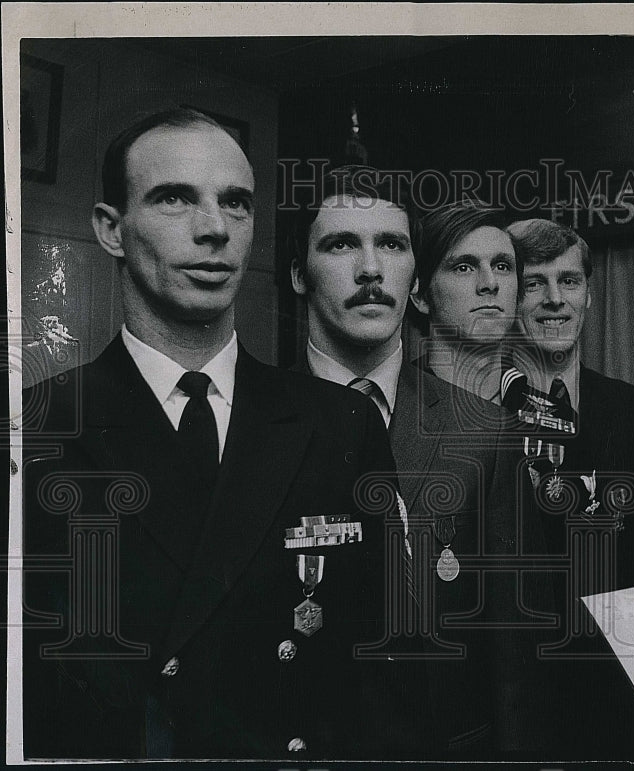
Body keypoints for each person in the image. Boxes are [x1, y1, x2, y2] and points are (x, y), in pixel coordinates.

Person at [20, 109, 397, 759]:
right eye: (174, 199)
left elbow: (385, 669)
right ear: (111, 230)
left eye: (236, 203)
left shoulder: (341, 422)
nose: (215, 228)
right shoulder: (37, 431)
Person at [289, 167, 549, 757]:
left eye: (392, 244)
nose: (371, 269)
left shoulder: (484, 434)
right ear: (300, 275)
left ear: (413, 277)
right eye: (341, 244)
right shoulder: (248, 421)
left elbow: (512, 655)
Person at [504, 218, 634, 758]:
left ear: (590, 294)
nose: (555, 301)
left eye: (570, 281)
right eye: (535, 283)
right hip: (508, 697)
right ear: (509, 295)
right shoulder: (475, 410)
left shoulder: (633, 410)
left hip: (608, 704)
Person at [408, 200, 519, 403]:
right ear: (421, 295)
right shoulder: (392, 410)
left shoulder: (556, 419)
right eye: (464, 268)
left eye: (502, 266)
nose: (490, 283)